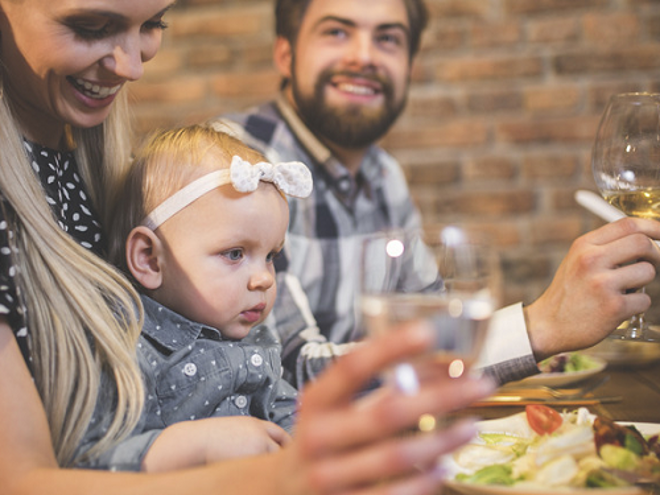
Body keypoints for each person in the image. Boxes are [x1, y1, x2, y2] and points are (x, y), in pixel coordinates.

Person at [0, 0, 497, 493]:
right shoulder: (147, 332)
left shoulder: (96, 162)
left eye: (154, 24)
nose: (132, 67)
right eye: (90, 26)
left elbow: (290, 410)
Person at [218, 0, 660, 387]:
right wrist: (541, 324)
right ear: (285, 52)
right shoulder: (238, 166)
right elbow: (285, 374)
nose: (364, 56)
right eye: (337, 31)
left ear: (410, 66)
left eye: (388, 39)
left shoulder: (384, 173)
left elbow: (437, 323)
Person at [108, 125, 314, 440]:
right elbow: (97, 459)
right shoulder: (129, 354)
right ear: (150, 259)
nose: (263, 278)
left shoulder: (253, 339)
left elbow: (285, 408)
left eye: (271, 256)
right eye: (234, 254)